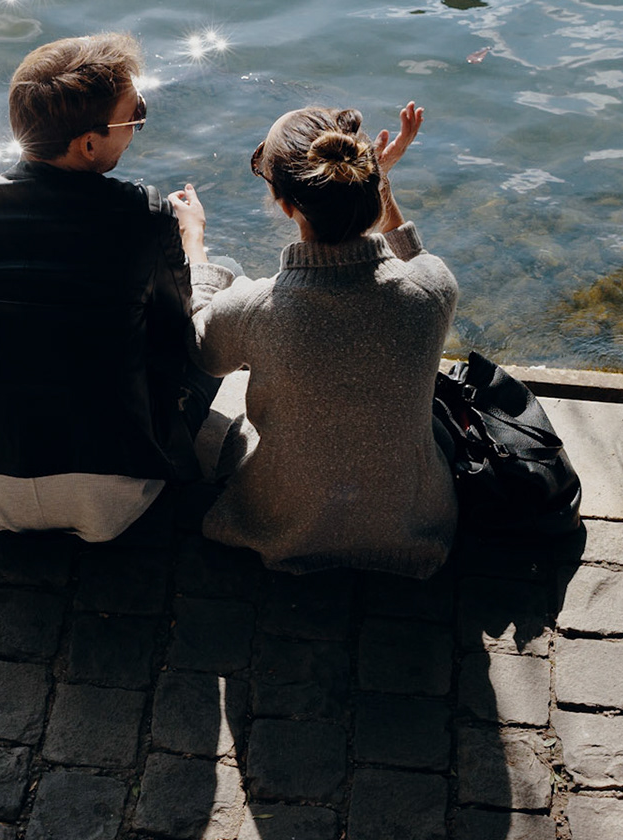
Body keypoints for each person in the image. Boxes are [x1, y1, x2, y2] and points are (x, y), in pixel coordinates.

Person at [0, 32, 225, 542]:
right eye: (134, 114)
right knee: (216, 285)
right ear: (88, 143)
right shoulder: (144, 214)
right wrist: (193, 242)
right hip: (112, 498)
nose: (138, 123)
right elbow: (180, 328)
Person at [172, 101, 459, 576]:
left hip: (282, 526)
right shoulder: (434, 289)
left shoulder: (255, 309)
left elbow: (201, 348)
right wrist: (379, 188)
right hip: (415, 527)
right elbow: (413, 256)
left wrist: (194, 244)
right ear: (367, 182)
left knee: (220, 431)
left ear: (286, 204)